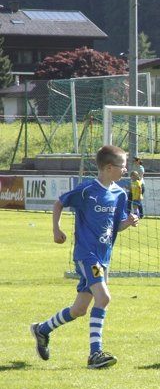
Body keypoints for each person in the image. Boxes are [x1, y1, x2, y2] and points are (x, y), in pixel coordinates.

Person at [30, 145, 139, 369]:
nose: (125, 170)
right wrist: (56, 229)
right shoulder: (87, 190)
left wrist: (127, 222)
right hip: (87, 256)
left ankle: (42, 330)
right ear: (108, 167)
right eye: (122, 166)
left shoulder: (119, 194)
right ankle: (95, 354)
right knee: (104, 298)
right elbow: (59, 202)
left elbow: (115, 227)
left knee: (79, 309)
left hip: (103, 258)